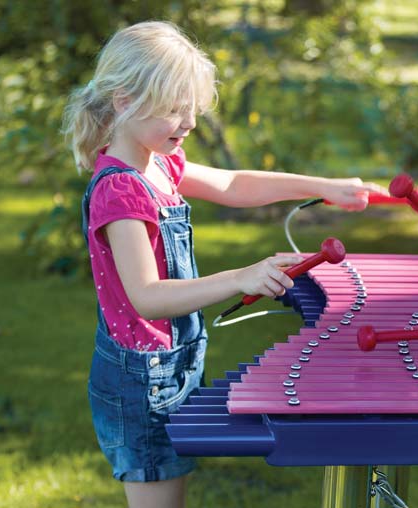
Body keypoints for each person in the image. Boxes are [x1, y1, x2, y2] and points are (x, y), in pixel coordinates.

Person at [63, 20, 387, 508]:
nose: (189, 122)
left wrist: (324, 186)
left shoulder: (159, 163)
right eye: (175, 109)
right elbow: (146, 297)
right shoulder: (121, 189)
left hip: (173, 360)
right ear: (124, 101)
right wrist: (242, 275)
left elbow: (234, 185)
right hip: (141, 377)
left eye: (192, 108)